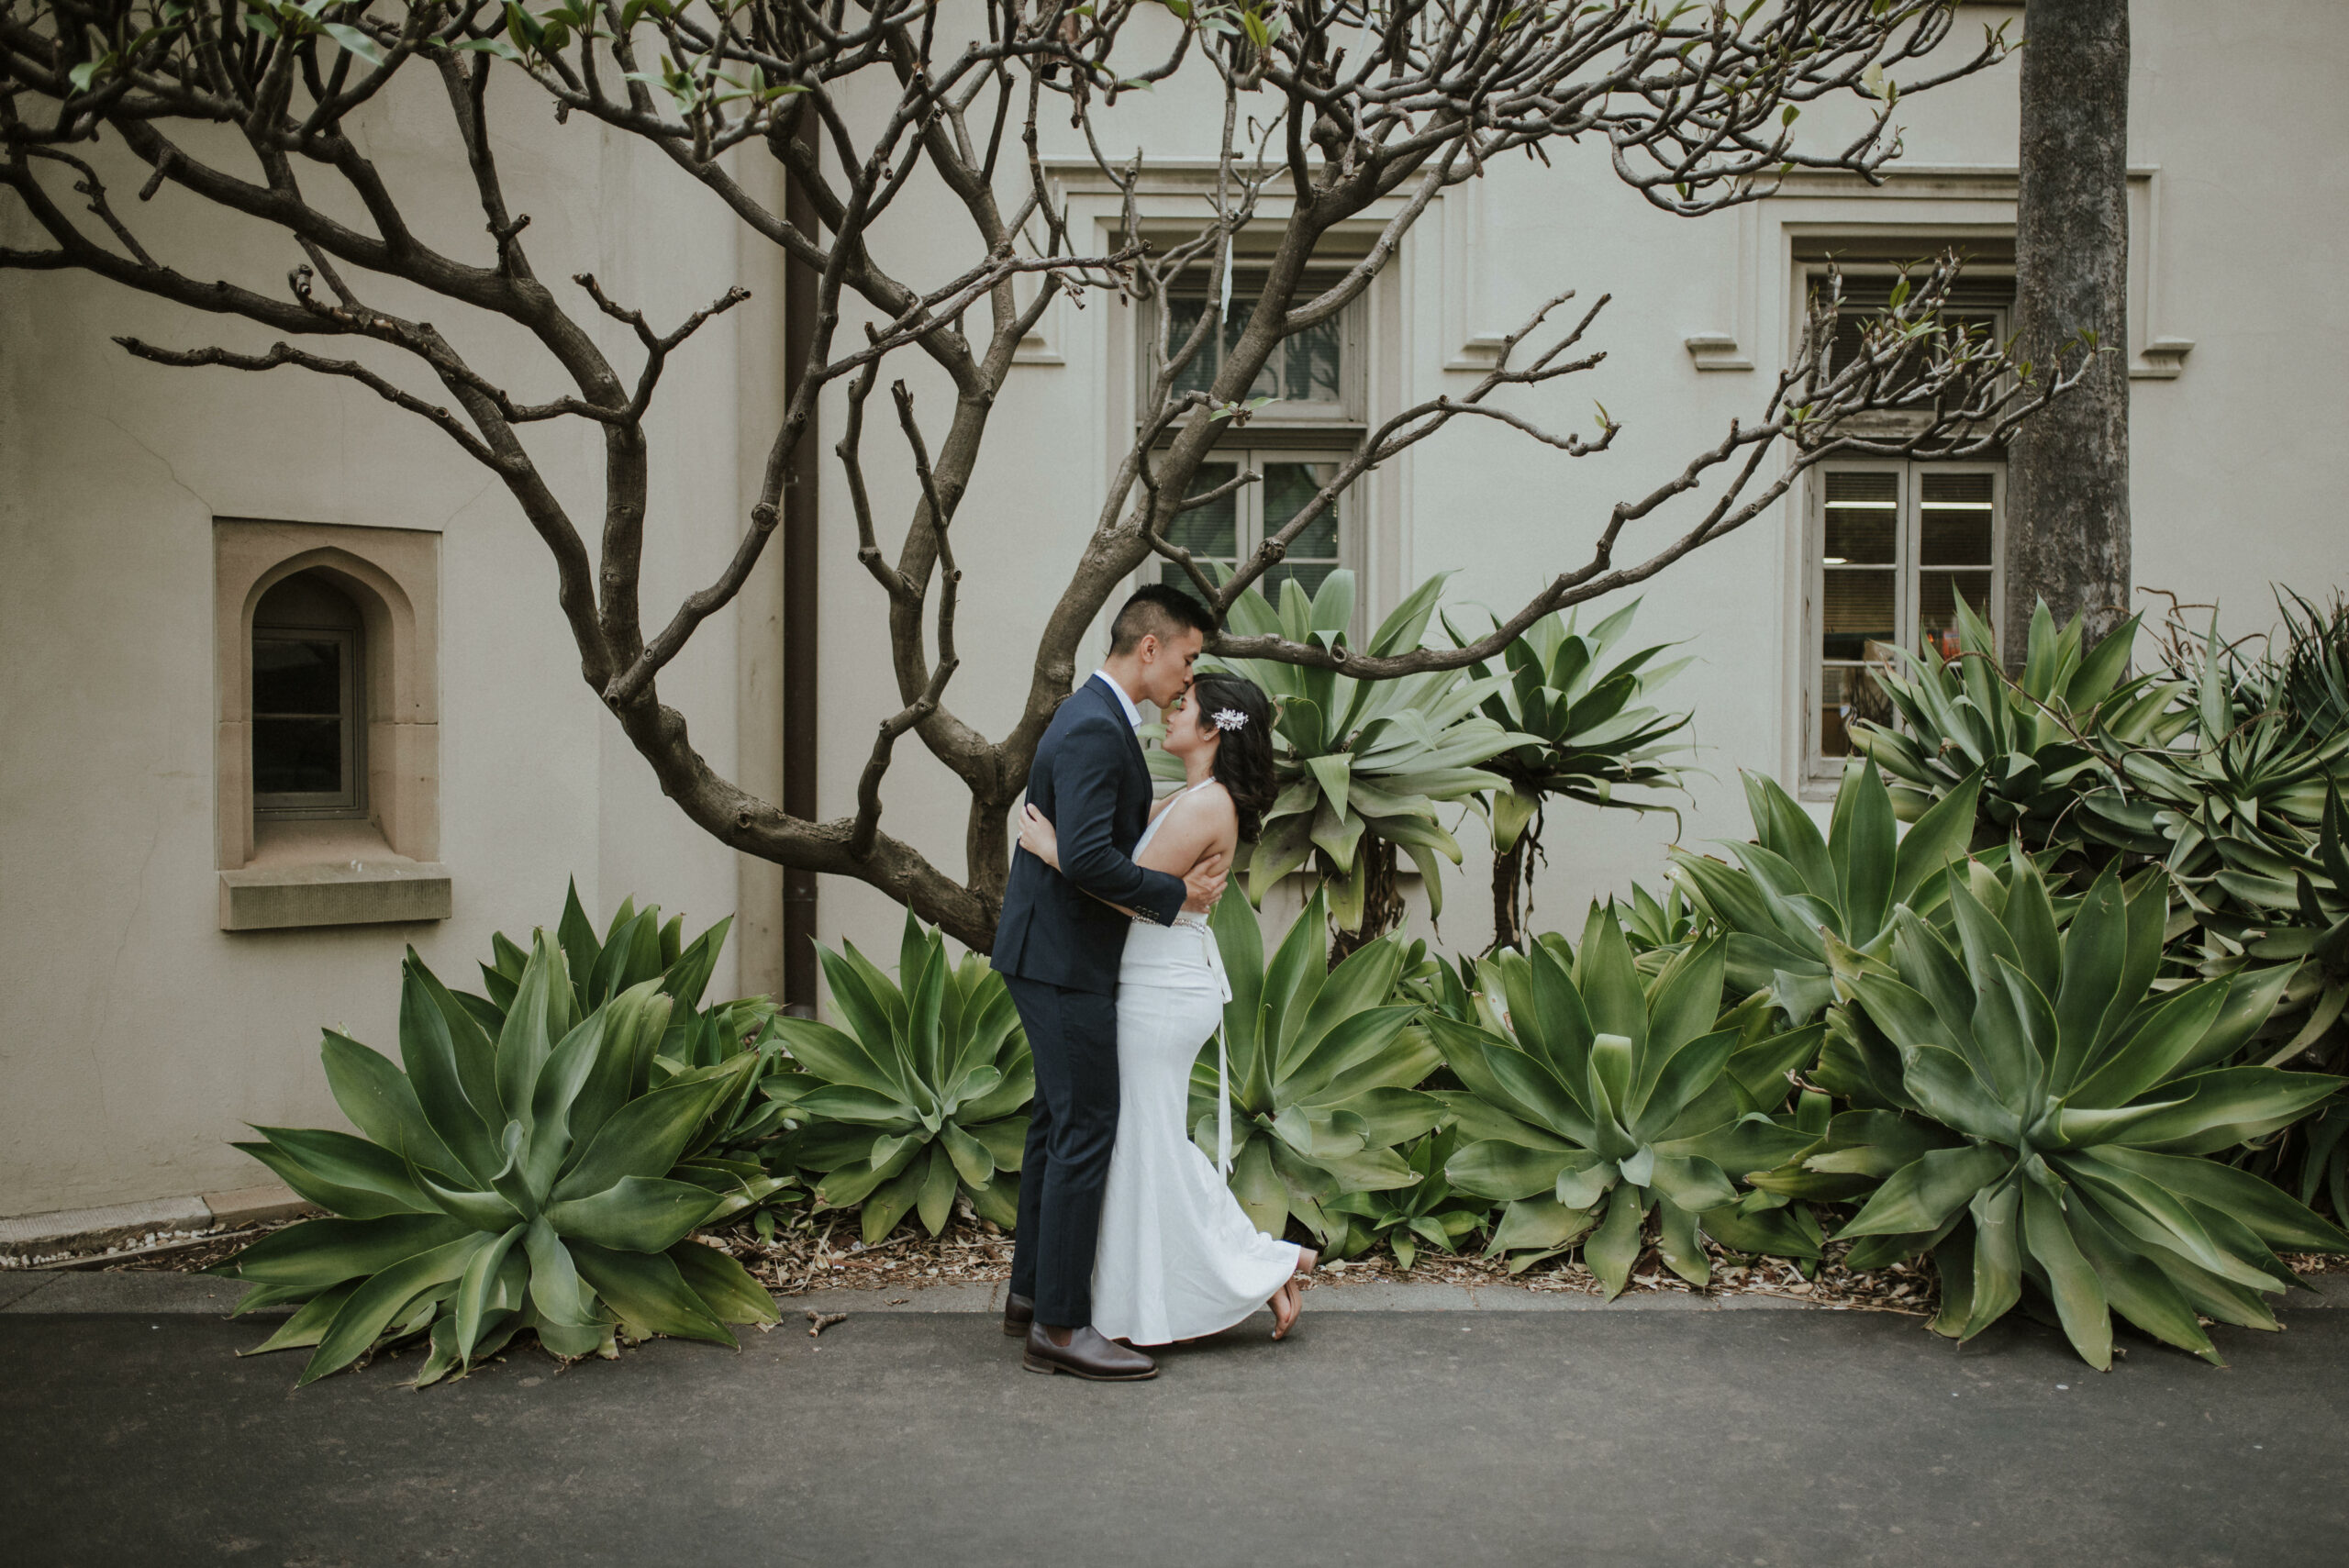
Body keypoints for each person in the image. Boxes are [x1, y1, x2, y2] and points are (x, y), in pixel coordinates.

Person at [1016, 671, 1322, 1349]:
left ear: (1212, 729)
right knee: (1148, 1141)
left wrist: (1053, 851)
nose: (1172, 711)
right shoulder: (1190, 796)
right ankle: (1265, 1262)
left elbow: (1117, 889)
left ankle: (1257, 1262)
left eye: (1186, 706)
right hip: (1157, 983)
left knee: (1146, 1142)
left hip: (1159, 991)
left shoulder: (1203, 805)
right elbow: (1141, 861)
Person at [991, 584, 1229, 1381]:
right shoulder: (1097, 726)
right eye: (1189, 658)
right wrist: (1177, 895)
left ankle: (1031, 1294)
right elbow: (1091, 857)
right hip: (1064, 962)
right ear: (1151, 647)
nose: (1190, 677)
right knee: (1086, 1125)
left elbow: (1098, 828)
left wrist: (1162, 805)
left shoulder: (1090, 716)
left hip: (1048, 953)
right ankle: (1060, 1328)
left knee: (1057, 1124)